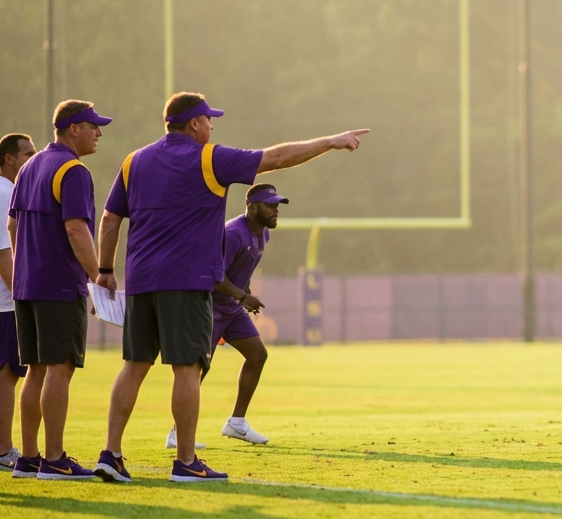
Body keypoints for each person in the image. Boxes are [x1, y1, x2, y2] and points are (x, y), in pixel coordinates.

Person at [92, 93, 367, 483]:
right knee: (187, 368)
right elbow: (277, 158)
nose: (212, 126)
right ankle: (186, 462)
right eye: (208, 120)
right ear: (193, 125)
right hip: (185, 281)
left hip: (140, 280)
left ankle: (111, 453)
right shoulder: (209, 158)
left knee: (134, 365)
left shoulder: (133, 160)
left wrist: (105, 268)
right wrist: (331, 141)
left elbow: (110, 219)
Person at [8, 102, 112, 480]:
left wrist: (25, 267)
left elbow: (13, 225)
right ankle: (54, 459)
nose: (99, 134)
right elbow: (75, 229)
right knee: (60, 368)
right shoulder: (73, 170)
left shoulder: (30, 167)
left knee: (35, 370)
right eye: (94, 127)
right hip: (58, 285)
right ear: (73, 130)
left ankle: (29, 457)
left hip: (27, 285)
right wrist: (100, 274)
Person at [164, 183, 284, 449]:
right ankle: (176, 433)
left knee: (257, 355)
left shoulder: (263, 234)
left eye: (277, 205)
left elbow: (240, 268)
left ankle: (236, 423)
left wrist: (245, 291)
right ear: (251, 207)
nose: (276, 210)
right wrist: (243, 296)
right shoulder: (233, 234)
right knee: (195, 372)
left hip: (231, 308)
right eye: (270, 205)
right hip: (207, 307)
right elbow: (214, 276)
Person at [0, 133, 37, 470]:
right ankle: (4, 450)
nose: (32, 159)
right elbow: (4, 254)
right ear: (9, 159)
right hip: (6, 305)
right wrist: (21, 294)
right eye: (27, 154)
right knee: (8, 376)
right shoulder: (5, 192)